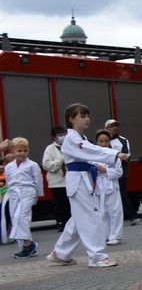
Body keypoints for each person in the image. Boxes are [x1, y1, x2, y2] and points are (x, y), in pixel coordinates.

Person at [47, 103, 128, 268]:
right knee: (92, 217)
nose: (87, 119)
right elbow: (89, 150)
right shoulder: (71, 138)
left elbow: (88, 152)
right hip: (78, 180)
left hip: (84, 178)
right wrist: (115, 154)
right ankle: (97, 256)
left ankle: (60, 253)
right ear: (71, 119)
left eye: (87, 116)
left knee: (79, 219)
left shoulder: (79, 138)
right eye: (82, 116)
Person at [4, 138, 44, 258]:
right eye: (19, 151)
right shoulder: (9, 166)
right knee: (15, 217)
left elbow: (38, 180)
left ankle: (28, 245)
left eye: (25, 150)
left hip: (28, 191)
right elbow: (8, 181)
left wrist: (37, 195)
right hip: (14, 193)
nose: (22, 153)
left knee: (21, 216)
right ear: (13, 151)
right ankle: (26, 246)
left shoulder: (32, 165)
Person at [104, 119, 139, 225]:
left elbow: (126, 155)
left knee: (121, 193)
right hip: (105, 172)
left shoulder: (123, 140)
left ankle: (132, 216)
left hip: (121, 172)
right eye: (111, 126)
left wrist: (115, 156)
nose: (114, 128)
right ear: (106, 128)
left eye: (116, 126)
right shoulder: (103, 140)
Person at [93, 130, 124, 245]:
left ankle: (116, 235)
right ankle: (104, 235)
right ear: (97, 142)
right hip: (99, 186)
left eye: (106, 141)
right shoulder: (92, 155)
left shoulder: (115, 155)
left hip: (111, 185)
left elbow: (119, 172)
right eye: (101, 141)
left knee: (115, 211)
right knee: (102, 212)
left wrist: (105, 170)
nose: (104, 144)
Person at [41, 127, 71, 231]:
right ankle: (60, 222)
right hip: (57, 182)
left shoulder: (70, 147)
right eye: (60, 135)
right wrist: (59, 162)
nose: (62, 137)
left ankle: (70, 222)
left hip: (69, 181)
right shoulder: (50, 149)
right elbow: (46, 164)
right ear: (54, 137)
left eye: (64, 134)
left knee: (69, 203)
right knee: (59, 203)